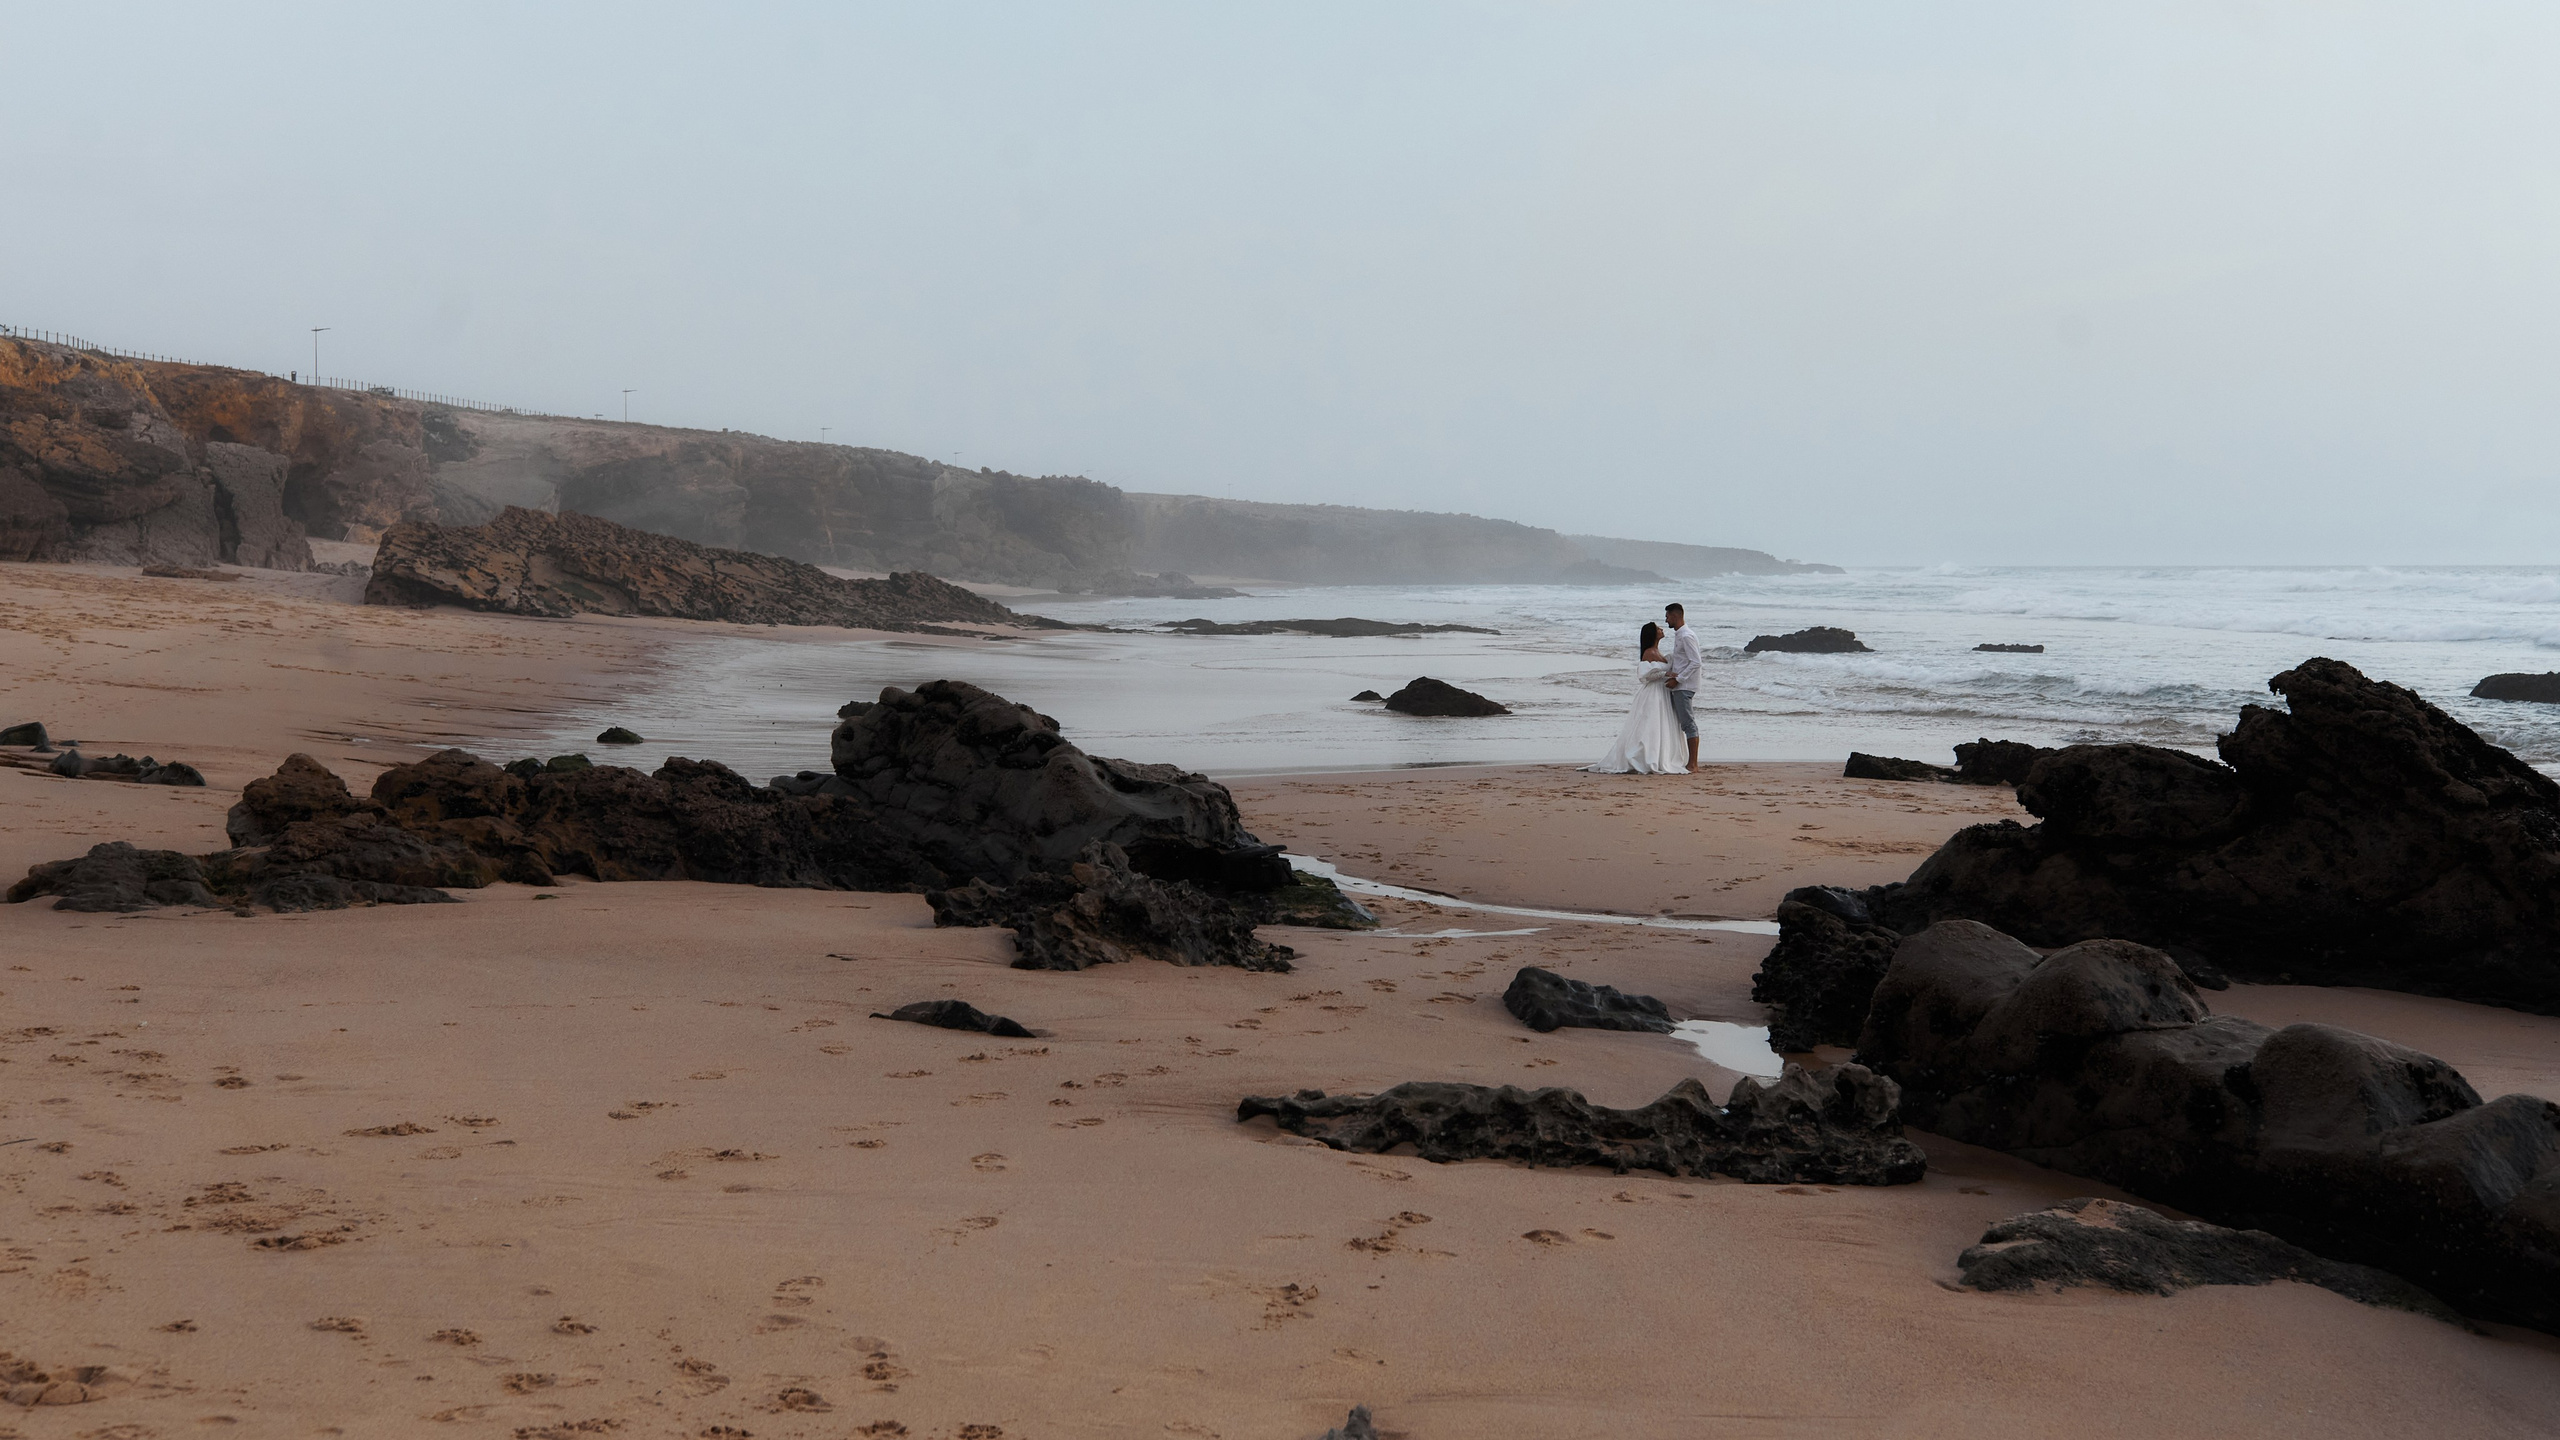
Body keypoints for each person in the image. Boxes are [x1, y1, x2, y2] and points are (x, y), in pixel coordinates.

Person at [1585, 621, 1687, 773]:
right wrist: (1666, 673)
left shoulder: (1657, 652)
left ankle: (1659, 755)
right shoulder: (1649, 653)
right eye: (1658, 628)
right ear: (1653, 634)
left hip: (1662, 692)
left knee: (1659, 725)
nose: (1661, 629)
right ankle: (1645, 756)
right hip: (1654, 693)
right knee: (1650, 725)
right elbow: (1645, 674)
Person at [1662, 602, 1702, 773]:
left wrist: (1679, 679)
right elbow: (1683, 661)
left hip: (1685, 686)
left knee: (1688, 723)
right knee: (1682, 723)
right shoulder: (1680, 635)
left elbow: (1696, 662)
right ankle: (1684, 759)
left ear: (1675, 616)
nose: (1666, 620)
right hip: (1681, 684)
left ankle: (1693, 764)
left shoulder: (1686, 636)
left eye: (1668, 616)